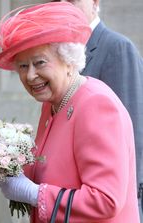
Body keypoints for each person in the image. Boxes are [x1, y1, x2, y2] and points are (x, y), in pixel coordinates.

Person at [0, 2, 139, 222]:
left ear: (68, 61)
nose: (31, 76)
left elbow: (105, 200)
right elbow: (53, 170)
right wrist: (5, 163)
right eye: (22, 67)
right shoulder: (52, 104)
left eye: (39, 63)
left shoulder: (95, 103)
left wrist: (33, 194)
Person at [50, 0, 143, 218]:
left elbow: (134, 132)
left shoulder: (117, 47)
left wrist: (133, 206)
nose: (63, 4)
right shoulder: (57, 54)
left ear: (94, 2)